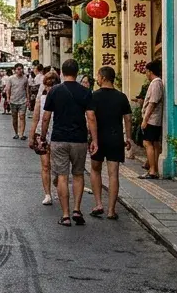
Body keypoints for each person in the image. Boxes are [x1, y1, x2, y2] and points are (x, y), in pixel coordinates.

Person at [39, 59, 92, 226]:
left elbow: (46, 117)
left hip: (59, 139)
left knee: (62, 176)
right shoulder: (85, 92)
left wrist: (43, 137)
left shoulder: (54, 91)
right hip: (79, 140)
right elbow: (91, 117)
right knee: (78, 174)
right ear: (77, 73)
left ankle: (66, 215)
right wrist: (95, 139)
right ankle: (76, 209)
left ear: (62, 72)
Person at [87, 66, 131, 219]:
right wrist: (128, 138)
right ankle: (111, 210)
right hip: (115, 138)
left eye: (98, 76)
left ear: (103, 77)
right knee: (113, 174)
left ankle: (99, 204)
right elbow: (128, 119)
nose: (97, 79)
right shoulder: (122, 97)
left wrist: (94, 139)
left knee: (95, 169)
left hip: (98, 138)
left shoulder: (94, 96)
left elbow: (91, 117)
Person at [29, 70, 59, 205]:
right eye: (48, 85)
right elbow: (35, 119)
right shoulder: (41, 100)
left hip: (58, 135)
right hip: (42, 135)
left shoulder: (62, 99)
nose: (50, 87)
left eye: (52, 85)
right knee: (45, 165)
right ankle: (48, 194)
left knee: (57, 165)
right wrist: (31, 137)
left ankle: (57, 179)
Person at [140, 60, 165, 179]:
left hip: (152, 119)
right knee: (154, 144)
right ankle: (153, 168)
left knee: (147, 143)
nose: (146, 74)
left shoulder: (156, 83)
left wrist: (145, 119)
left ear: (150, 71)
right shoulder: (157, 83)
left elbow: (152, 103)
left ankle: (153, 170)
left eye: (146, 71)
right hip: (154, 119)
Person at [6, 63, 31, 139]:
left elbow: (27, 90)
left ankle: (21, 134)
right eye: (18, 69)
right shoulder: (11, 79)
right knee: (14, 118)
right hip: (13, 101)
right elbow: (8, 89)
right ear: (15, 70)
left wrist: (28, 100)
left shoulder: (25, 78)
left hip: (23, 101)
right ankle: (16, 133)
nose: (20, 70)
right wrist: (8, 98)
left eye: (21, 69)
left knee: (22, 116)